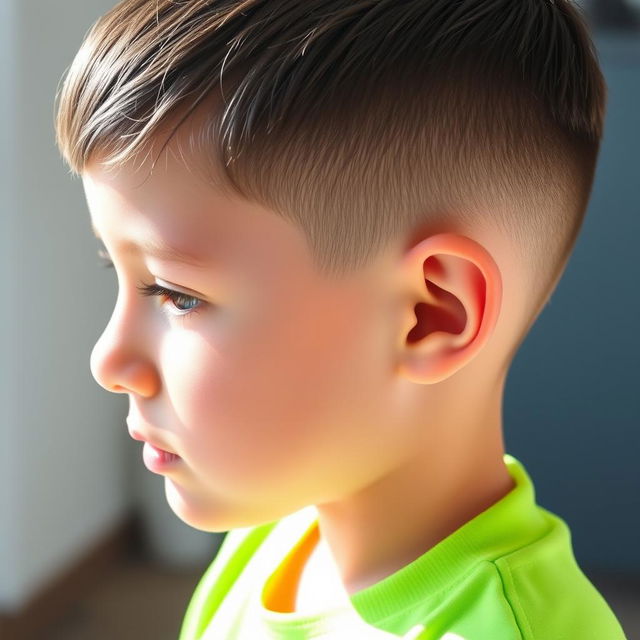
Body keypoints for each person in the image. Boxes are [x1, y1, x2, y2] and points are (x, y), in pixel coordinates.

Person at [54, 1, 627, 638]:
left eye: (176, 295)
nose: (108, 360)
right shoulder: (279, 538)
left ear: (429, 315)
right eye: (119, 273)